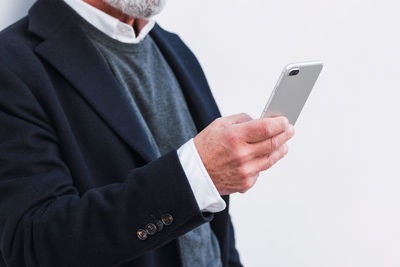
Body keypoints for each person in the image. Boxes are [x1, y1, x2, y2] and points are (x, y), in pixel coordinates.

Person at [0, 0, 295, 266]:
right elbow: (34, 246)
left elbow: (212, 232)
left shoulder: (174, 49)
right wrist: (196, 176)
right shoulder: (11, 64)